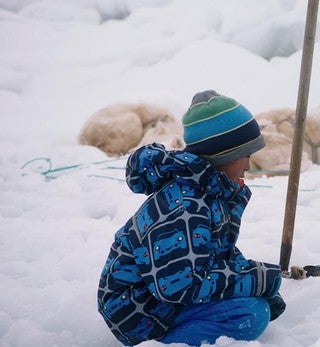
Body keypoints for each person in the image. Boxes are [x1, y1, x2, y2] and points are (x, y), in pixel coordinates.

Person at [97, 90, 286, 345]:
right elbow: (179, 285)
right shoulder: (186, 207)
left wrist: (258, 283)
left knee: (254, 305)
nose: (249, 166)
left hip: (157, 301)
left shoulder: (209, 193)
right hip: (135, 311)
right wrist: (256, 280)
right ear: (224, 155)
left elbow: (216, 254)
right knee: (249, 314)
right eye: (246, 156)